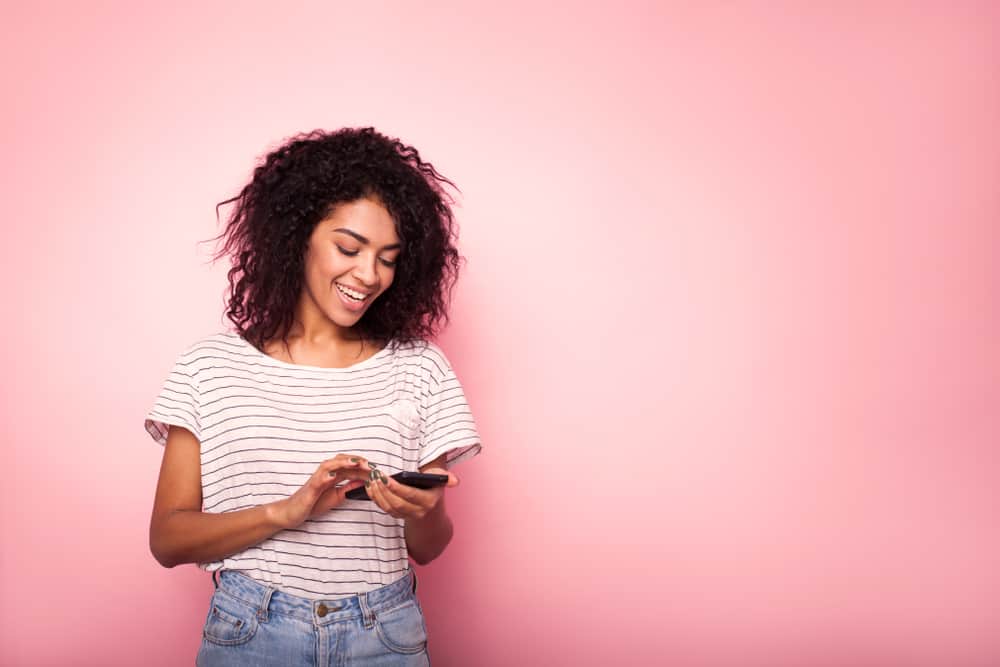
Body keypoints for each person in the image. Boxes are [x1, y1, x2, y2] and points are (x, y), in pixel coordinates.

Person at [144, 127, 482, 666]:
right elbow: (168, 539)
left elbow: (429, 545)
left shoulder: (420, 368)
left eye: (389, 258)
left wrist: (422, 509)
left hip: (384, 635)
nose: (369, 275)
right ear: (296, 236)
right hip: (252, 632)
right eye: (348, 248)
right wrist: (288, 511)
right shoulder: (208, 368)